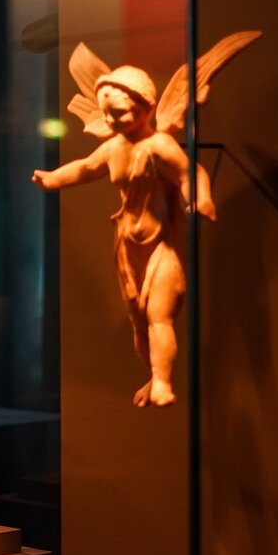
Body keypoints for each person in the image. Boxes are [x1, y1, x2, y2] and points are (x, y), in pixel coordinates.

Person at [32, 66, 216, 408]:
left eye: (118, 113)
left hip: (163, 242)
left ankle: (163, 383)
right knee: (138, 320)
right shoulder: (113, 147)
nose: (110, 121)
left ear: (146, 108)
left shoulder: (159, 146)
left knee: (159, 314)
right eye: (106, 114)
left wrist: (200, 197)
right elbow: (86, 168)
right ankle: (153, 375)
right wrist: (53, 179)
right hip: (127, 244)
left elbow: (191, 173)